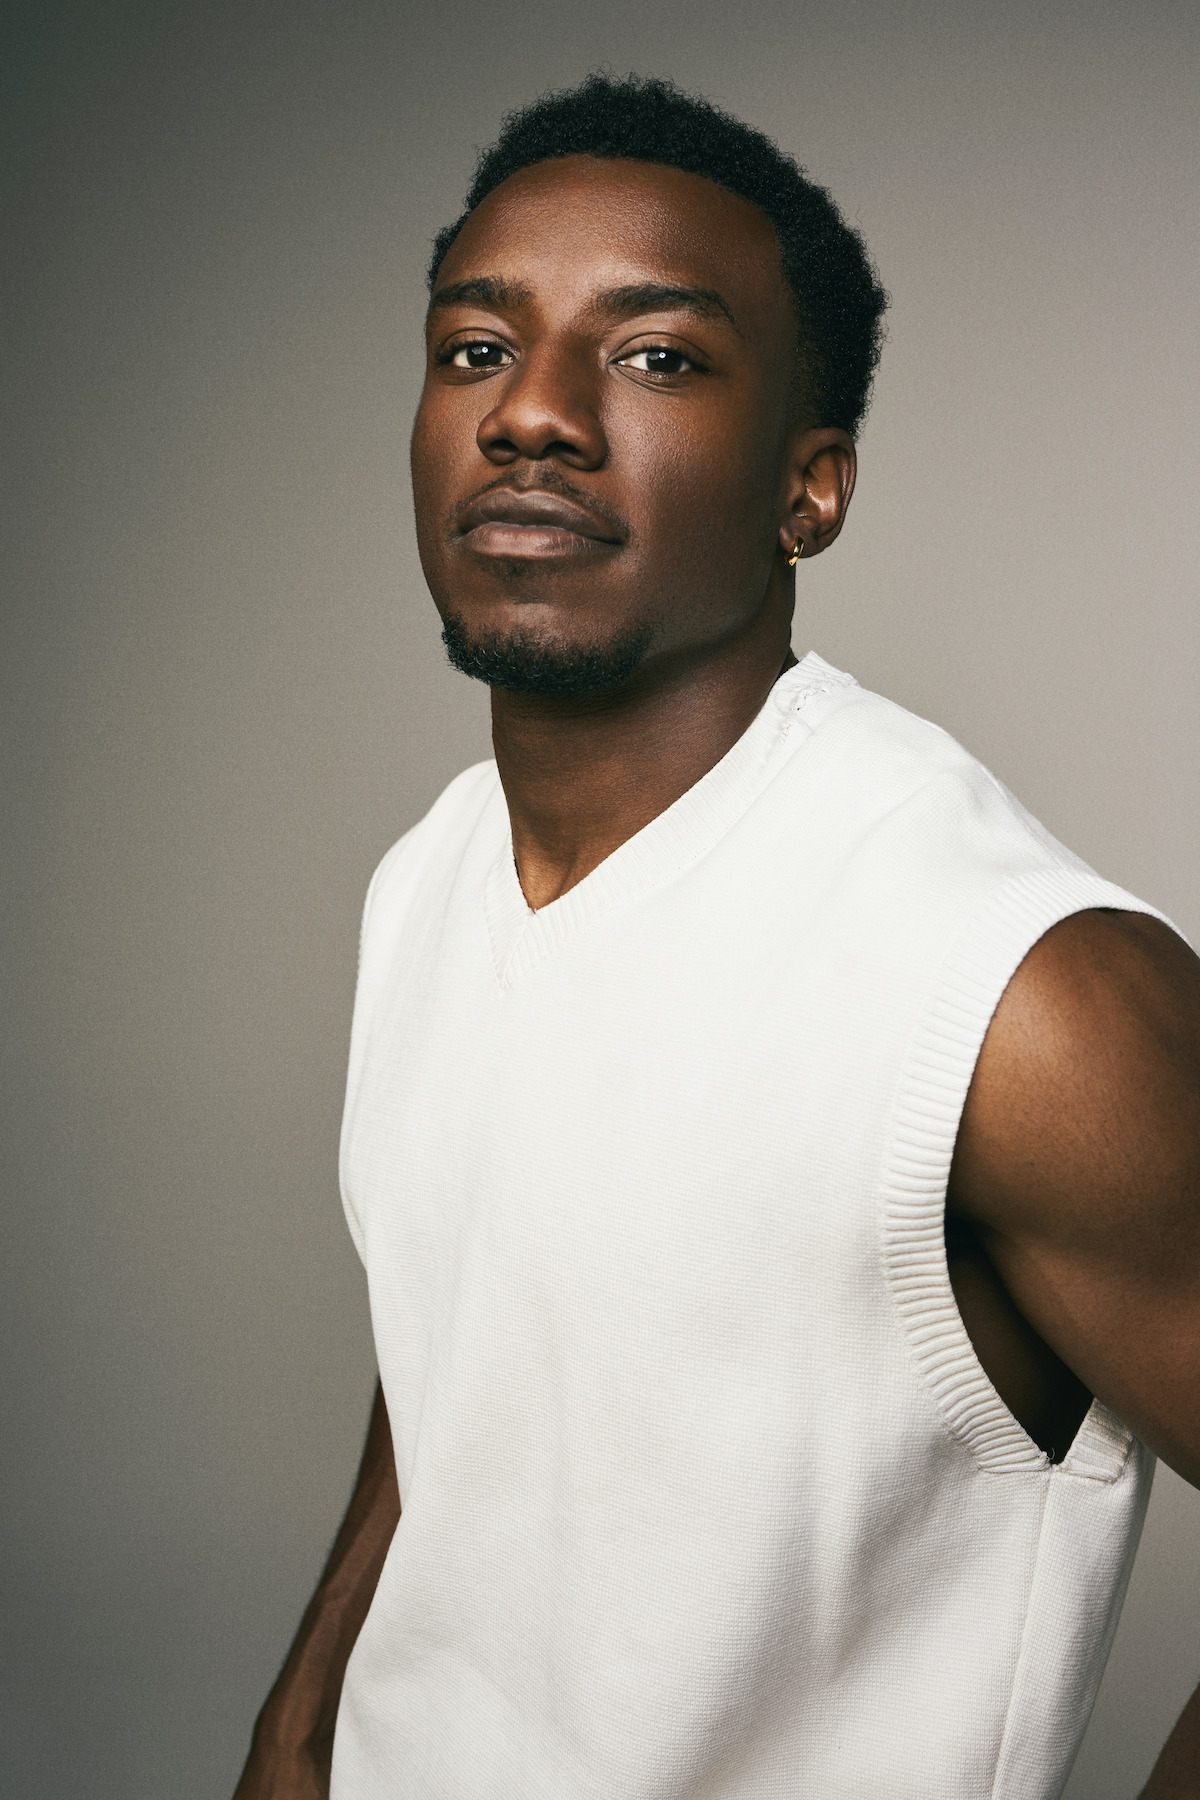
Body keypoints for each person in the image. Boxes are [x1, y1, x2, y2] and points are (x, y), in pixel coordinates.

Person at [234, 73, 1200, 1800]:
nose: (532, 413)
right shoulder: (431, 876)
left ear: (807, 492)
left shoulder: (1024, 996)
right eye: (474, 348)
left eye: (655, 355)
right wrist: (300, 1728)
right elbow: (463, 1350)